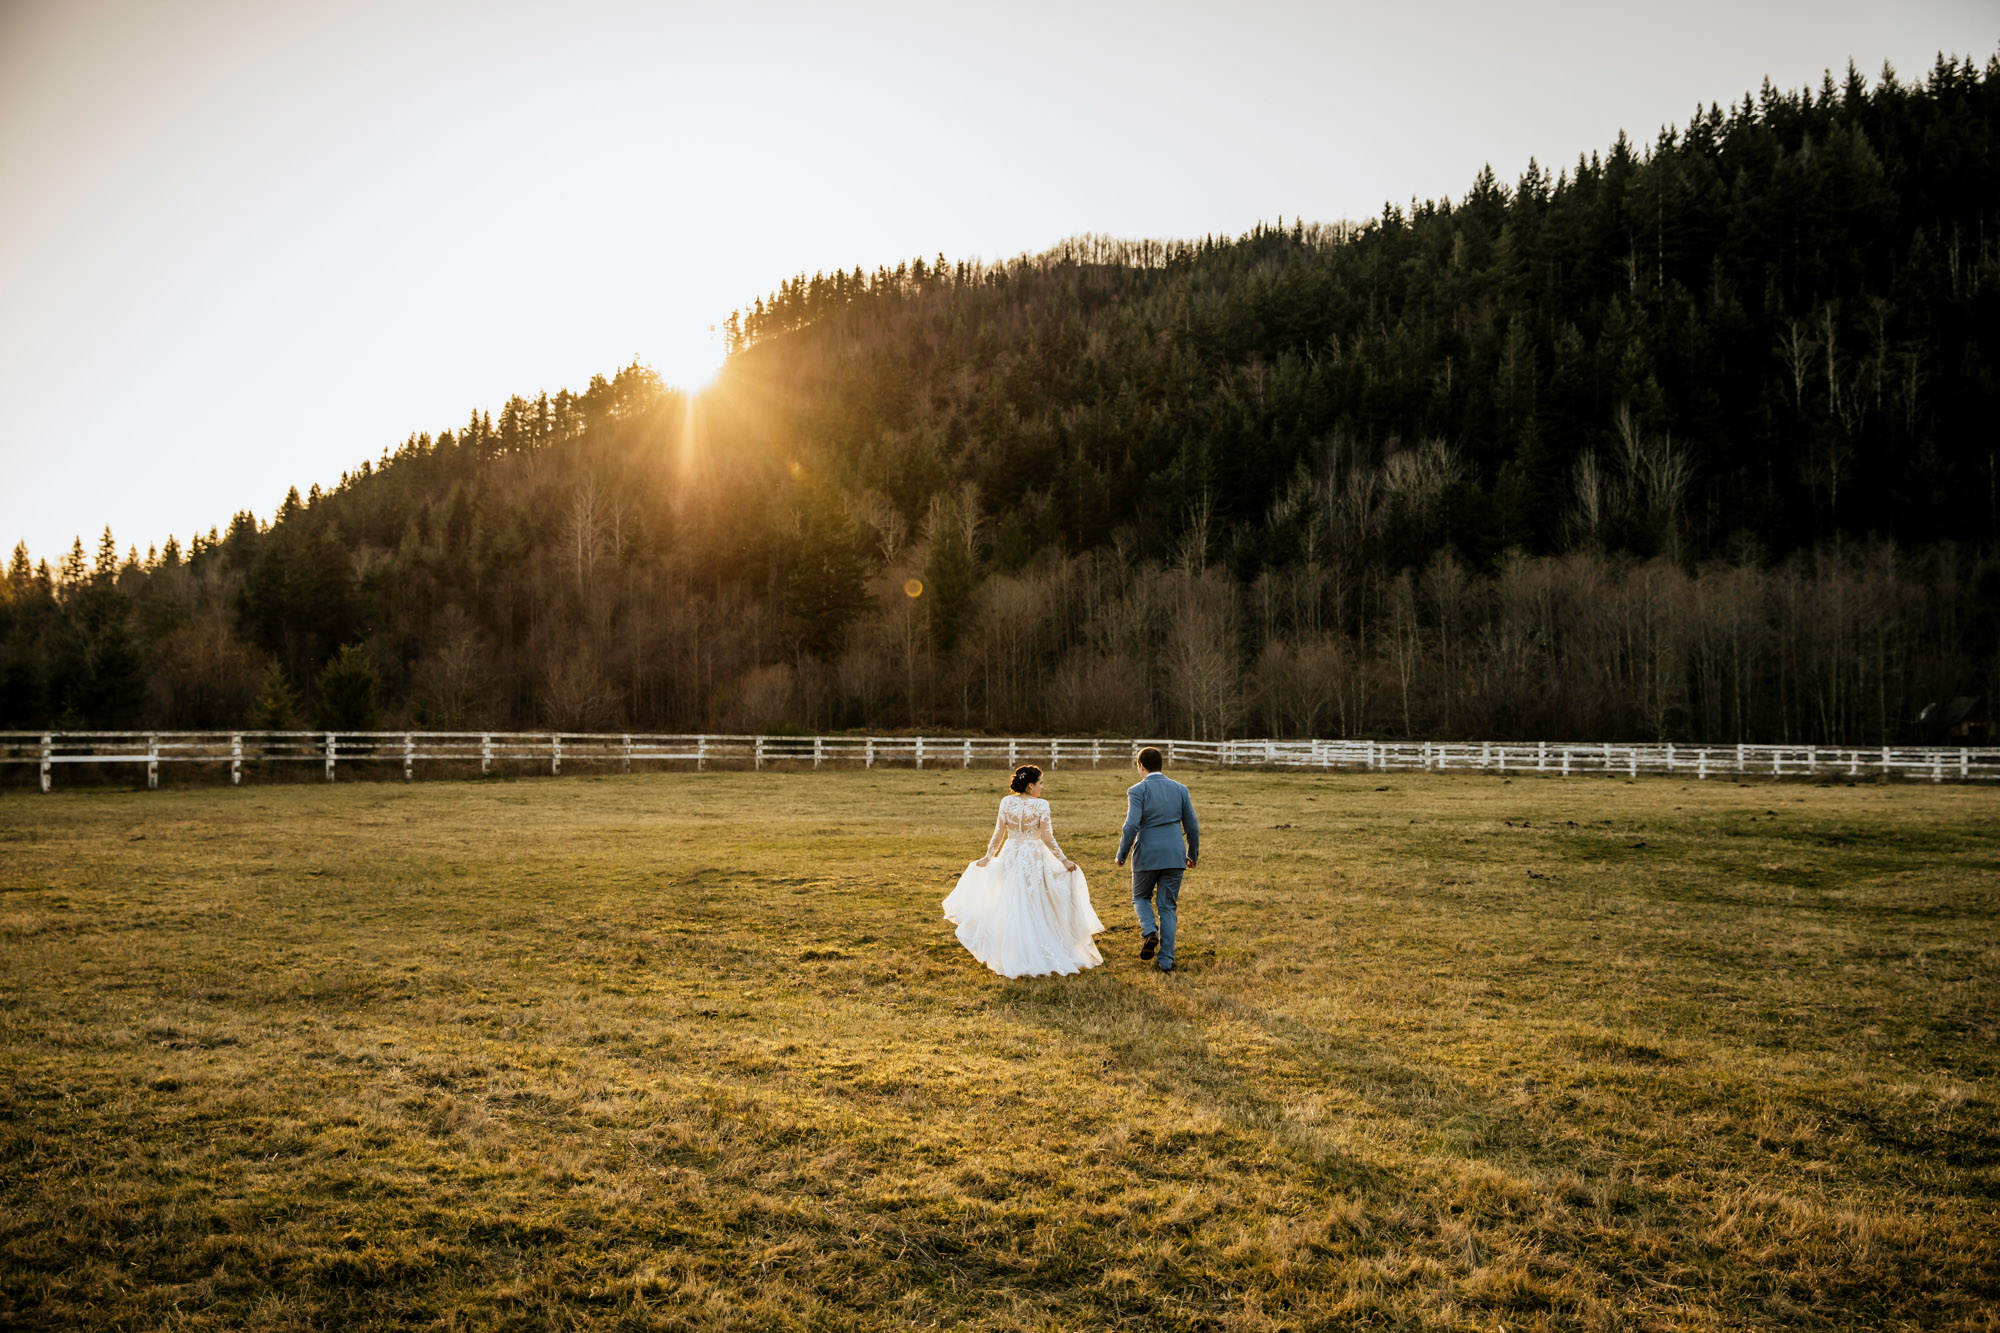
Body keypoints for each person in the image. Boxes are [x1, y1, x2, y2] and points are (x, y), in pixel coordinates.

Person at [943, 764, 1105, 978]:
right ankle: (1035, 946)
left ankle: (1012, 947)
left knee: (1012, 899)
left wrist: (989, 857)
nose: (1042, 787)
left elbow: (999, 833)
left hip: (1012, 852)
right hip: (1033, 855)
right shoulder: (1041, 805)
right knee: (1034, 899)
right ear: (1030, 786)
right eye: (1040, 783)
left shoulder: (1006, 802)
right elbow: (1047, 838)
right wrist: (1064, 860)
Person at [1115, 746, 1200, 973]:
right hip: (1174, 854)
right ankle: (1165, 960)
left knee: (1140, 897)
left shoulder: (1137, 790)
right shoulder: (1180, 789)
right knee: (1168, 907)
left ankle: (1150, 931)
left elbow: (1131, 825)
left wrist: (1122, 854)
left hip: (1147, 854)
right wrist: (1192, 854)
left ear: (1140, 766)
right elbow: (1192, 825)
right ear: (1162, 765)